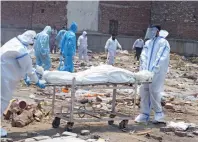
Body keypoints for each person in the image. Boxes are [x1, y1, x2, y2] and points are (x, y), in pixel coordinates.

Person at [1, 31, 45, 136]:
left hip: (3, 73)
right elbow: (29, 68)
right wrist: (37, 81)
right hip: (4, 76)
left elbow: (17, 63)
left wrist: (24, 76)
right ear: (31, 40)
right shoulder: (21, 50)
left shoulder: (14, 42)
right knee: (3, 100)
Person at [135, 25, 170, 123]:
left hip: (157, 72)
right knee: (144, 91)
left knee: (154, 91)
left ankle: (159, 113)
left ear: (158, 31)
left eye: (153, 31)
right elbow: (143, 56)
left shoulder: (163, 42)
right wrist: (144, 69)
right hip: (146, 73)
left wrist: (154, 70)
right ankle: (144, 113)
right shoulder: (148, 42)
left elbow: (161, 57)